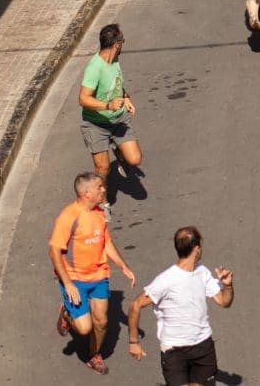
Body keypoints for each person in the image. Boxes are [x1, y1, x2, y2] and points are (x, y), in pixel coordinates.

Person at [50, 172, 136, 375]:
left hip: (99, 276)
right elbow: (54, 251)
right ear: (87, 193)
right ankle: (67, 313)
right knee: (84, 328)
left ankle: (93, 355)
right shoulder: (68, 216)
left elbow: (106, 242)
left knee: (102, 321)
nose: (104, 189)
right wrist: (67, 283)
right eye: (99, 187)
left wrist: (123, 266)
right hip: (75, 279)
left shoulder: (99, 213)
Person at [127, 226, 235, 386]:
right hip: (174, 350)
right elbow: (135, 305)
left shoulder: (202, 272)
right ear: (197, 248)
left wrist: (228, 286)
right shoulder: (166, 280)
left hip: (203, 345)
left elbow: (224, 301)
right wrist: (133, 342)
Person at [78, 23, 143, 221]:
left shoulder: (114, 60)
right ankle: (103, 204)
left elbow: (117, 85)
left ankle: (120, 153)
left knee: (135, 159)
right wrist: (107, 105)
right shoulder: (94, 68)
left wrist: (126, 98)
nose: (123, 44)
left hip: (118, 119)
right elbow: (83, 99)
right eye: (122, 41)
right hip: (96, 124)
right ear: (116, 44)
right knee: (103, 169)